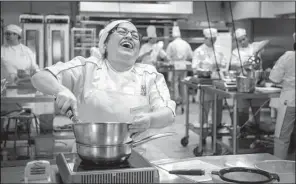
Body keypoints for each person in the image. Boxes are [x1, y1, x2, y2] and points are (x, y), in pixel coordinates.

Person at [31, 20, 176, 139]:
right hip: (90, 154)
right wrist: (60, 89)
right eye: (122, 32)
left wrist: (151, 119)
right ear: (105, 44)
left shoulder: (149, 74)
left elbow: (168, 113)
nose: (130, 36)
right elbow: (40, 77)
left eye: (135, 35)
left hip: (137, 155)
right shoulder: (87, 67)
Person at [229, 28, 269, 131]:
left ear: (247, 37)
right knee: (243, 106)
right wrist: (243, 63)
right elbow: (233, 65)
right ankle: (243, 127)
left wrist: (256, 51)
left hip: (257, 80)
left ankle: (257, 125)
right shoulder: (235, 52)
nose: (242, 42)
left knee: (256, 104)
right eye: (240, 40)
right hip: (244, 82)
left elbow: (267, 41)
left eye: (244, 39)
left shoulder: (254, 46)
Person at [192, 28, 227, 127]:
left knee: (218, 107)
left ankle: (217, 128)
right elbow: (194, 67)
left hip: (218, 81)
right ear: (205, 38)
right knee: (205, 107)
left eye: (214, 39)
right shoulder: (198, 51)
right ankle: (203, 129)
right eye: (211, 39)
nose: (213, 41)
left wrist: (219, 65)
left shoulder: (219, 49)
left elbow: (224, 64)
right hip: (205, 82)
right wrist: (204, 72)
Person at [269, 33, 295, 160]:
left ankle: (279, 169)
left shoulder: (288, 56)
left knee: (282, 137)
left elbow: (274, 78)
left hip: (290, 100)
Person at [166, 24, 193, 104]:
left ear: (173, 36)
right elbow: (190, 55)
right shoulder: (186, 43)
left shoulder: (172, 44)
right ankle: (184, 100)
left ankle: (176, 99)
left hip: (175, 65)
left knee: (175, 83)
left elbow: (168, 56)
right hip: (184, 65)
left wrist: (171, 60)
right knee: (183, 82)